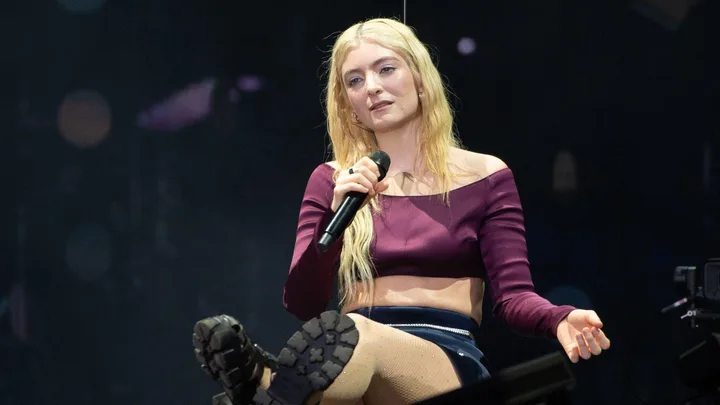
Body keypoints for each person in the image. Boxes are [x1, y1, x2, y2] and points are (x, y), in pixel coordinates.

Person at [191, 17, 611, 405]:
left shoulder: (486, 175)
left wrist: (558, 318)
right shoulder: (333, 180)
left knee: (354, 336)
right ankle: (276, 390)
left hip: (442, 360)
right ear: (348, 102)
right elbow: (304, 303)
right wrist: (335, 222)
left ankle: (266, 385)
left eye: (385, 69)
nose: (371, 87)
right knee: (344, 345)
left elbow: (513, 296)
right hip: (346, 369)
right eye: (355, 80)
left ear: (421, 79)